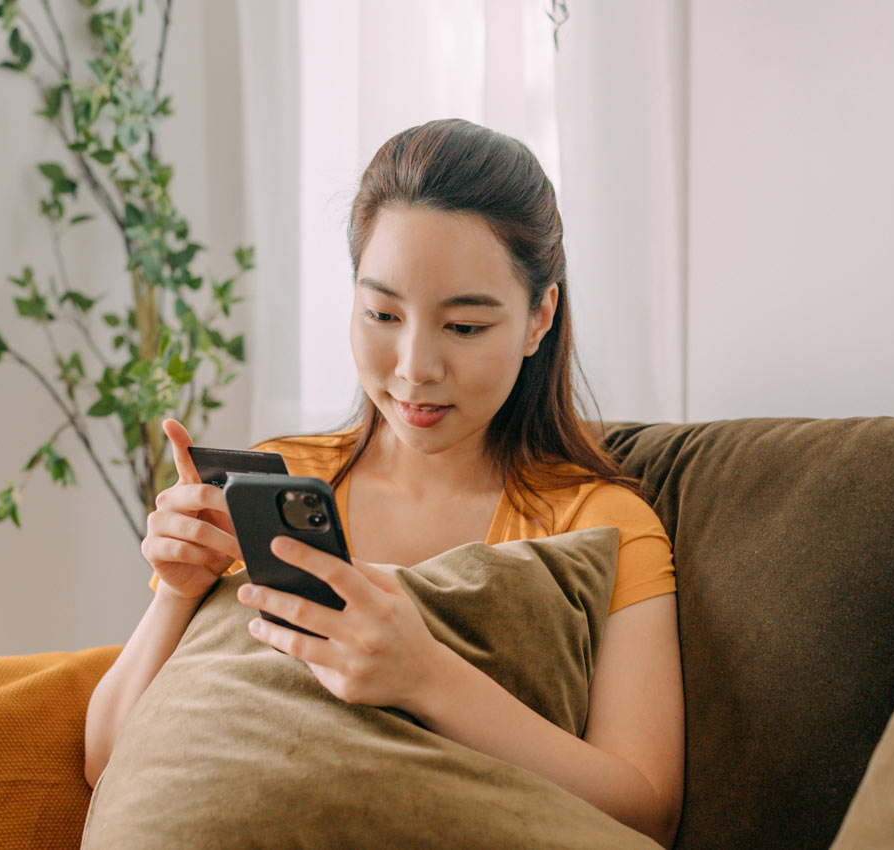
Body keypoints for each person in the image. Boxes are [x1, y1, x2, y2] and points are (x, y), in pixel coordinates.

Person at [81, 118, 684, 848]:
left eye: (463, 327)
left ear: (538, 320)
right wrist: (176, 594)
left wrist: (427, 677)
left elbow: (645, 809)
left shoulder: (603, 523)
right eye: (382, 313)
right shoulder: (281, 481)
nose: (414, 366)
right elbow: (107, 760)